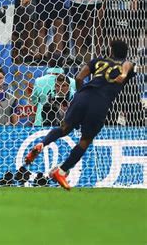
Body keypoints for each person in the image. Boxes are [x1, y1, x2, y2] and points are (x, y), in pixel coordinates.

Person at [24, 40, 136, 190]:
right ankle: (62, 171)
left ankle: (42, 144)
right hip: (100, 103)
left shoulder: (97, 61)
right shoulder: (127, 65)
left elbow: (78, 78)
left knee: (64, 128)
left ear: (111, 50)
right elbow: (128, 65)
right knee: (85, 139)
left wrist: (81, 94)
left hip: (82, 96)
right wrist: (123, 73)